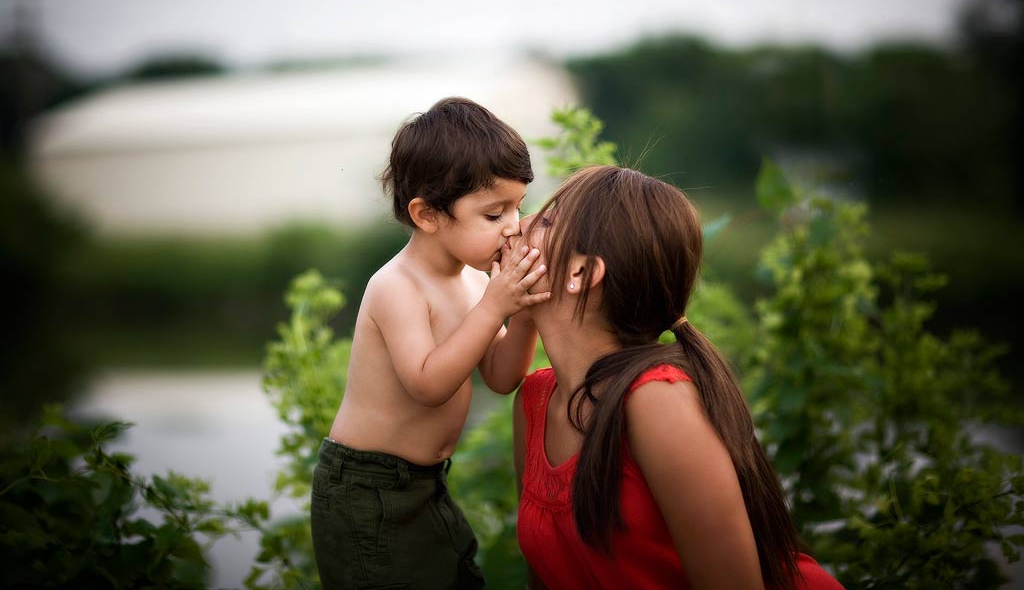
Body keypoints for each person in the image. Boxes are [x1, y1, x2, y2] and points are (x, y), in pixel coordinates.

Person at [512, 165, 845, 590]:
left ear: (580, 273)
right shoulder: (537, 399)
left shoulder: (656, 401)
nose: (518, 225)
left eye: (543, 220)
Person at [312, 97, 552, 590]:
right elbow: (427, 383)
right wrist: (495, 308)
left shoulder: (473, 284)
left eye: (518, 207)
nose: (513, 226)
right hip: (367, 488)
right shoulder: (396, 286)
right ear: (427, 215)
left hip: (425, 483)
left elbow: (503, 378)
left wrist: (522, 315)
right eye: (493, 214)